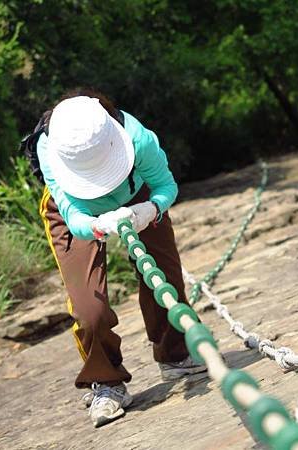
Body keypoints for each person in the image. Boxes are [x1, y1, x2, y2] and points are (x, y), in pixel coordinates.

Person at [36, 91, 207, 427]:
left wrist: (151, 208)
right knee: (89, 308)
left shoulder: (138, 139)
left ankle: (175, 354)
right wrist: (99, 224)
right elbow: (75, 218)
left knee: (165, 277)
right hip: (73, 210)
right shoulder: (49, 150)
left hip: (139, 192)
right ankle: (107, 382)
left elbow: (166, 185)